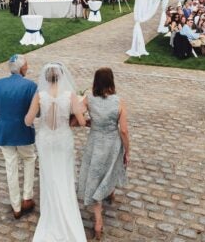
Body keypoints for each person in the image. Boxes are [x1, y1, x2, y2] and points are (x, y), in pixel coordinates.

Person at [24, 63, 87, 242]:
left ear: (45, 78)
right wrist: (81, 108)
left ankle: (51, 211)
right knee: (64, 175)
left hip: (45, 140)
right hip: (63, 139)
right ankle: (67, 212)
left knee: (49, 175)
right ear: (61, 77)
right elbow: (82, 122)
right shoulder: (69, 95)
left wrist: (31, 113)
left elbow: (28, 121)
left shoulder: (40, 95)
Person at [78, 68, 130, 241]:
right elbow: (123, 130)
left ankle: (98, 222)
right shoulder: (119, 101)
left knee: (95, 176)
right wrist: (127, 150)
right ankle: (110, 191)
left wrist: (87, 122)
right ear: (111, 81)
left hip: (95, 143)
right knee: (111, 167)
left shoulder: (88, 99)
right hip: (112, 143)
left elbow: (75, 115)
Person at [0, 55, 38, 219]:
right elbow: (36, 112)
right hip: (24, 132)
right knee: (29, 159)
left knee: (11, 167)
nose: (28, 67)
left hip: (5, 132)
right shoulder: (31, 86)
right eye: (27, 65)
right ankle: (27, 198)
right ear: (22, 68)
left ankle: (16, 206)